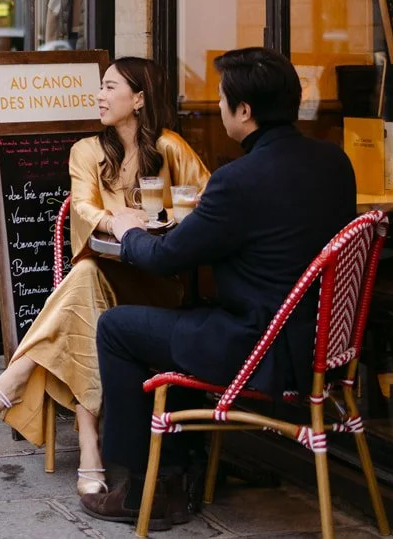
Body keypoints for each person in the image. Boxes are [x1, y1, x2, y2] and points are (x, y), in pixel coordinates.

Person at [84, 47, 356, 526]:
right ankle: (181, 467)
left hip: (261, 347)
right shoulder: (334, 162)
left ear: (244, 111)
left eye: (222, 99)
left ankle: (143, 485)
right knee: (188, 321)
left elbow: (167, 255)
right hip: (319, 344)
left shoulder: (239, 180)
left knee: (116, 327)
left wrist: (127, 233)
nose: (220, 107)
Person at [0, 58, 209, 500]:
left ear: (138, 99)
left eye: (110, 87)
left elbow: (206, 200)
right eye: (100, 86)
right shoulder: (86, 151)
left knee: (84, 283)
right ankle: (90, 447)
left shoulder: (170, 147)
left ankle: (14, 381)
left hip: (157, 283)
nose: (99, 95)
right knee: (90, 282)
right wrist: (120, 223)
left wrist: (166, 221)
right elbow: (83, 209)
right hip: (106, 274)